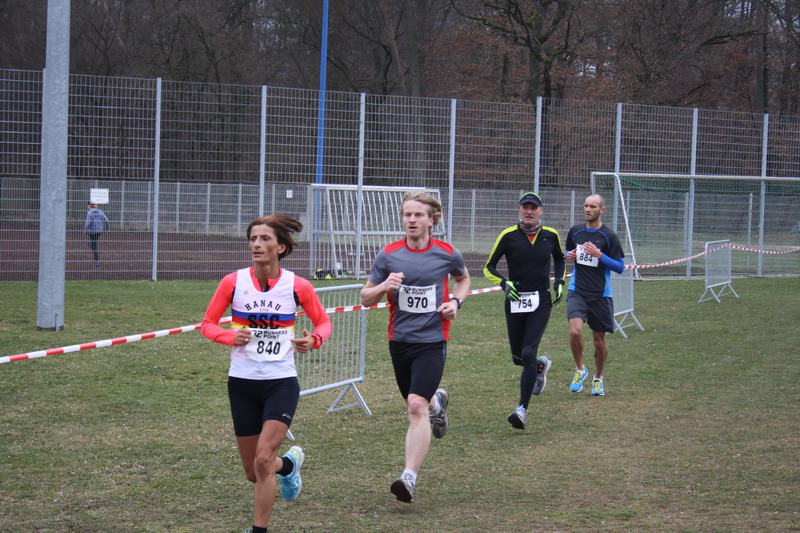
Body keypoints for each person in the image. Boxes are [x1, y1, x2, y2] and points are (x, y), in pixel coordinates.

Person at [200, 214, 332, 533]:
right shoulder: (233, 283)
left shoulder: (297, 286)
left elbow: (324, 322)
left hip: (280, 382)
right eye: (253, 239)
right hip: (242, 383)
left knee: (263, 460)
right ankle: (288, 466)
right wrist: (230, 336)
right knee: (254, 472)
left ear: (281, 247)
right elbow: (207, 324)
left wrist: (313, 340)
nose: (256, 244)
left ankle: (258, 530)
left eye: (265, 239)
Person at [360, 191, 470, 504]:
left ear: (431, 220)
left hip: (432, 341)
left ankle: (408, 477)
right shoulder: (388, 255)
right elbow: (365, 298)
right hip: (400, 341)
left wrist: (455, 302)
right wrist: (384, 285)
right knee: (418, 400)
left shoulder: (447, 253)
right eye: (407, 214)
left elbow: (463, 279)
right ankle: (437, 404)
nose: (411, 220)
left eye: (418, 215)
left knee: (414, 405)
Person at [484, 191, 566, 430]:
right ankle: (539, 367)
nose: (529, 212)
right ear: (520, 210)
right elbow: (489, 266)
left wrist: (559, 281)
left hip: (540, 300)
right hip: (515, 301)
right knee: (519, 358)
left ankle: (521, 410)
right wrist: (504, 283)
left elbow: (560, 259)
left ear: (540, 211)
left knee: (528, 353)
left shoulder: (550, 235)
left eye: (533, 208)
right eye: (525, 207)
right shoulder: (508, 236)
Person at [564, 194, 625, 397]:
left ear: (602, 210)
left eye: (592, 206)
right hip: (577, 291)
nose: (587, 210)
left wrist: (600, 255)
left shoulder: (609, 236)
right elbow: (567, 251)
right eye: (585, 206)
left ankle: (598, 378)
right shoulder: (575, 231)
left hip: (600, 294)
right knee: (575, 332)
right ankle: (580, 369)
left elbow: (620, 267)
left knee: (599, 341)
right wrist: (568, 255)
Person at [84, 202, 110, 267]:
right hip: (99, 231)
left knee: (94, 246)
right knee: (94, 242)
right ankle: (92, 244)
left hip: (92, 231)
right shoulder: (100, 212)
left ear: (89, 206)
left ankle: (97, 262)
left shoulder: (89, 213)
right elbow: (107, 220)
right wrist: (107, 228)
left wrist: (85, 231)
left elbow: (87, 223)